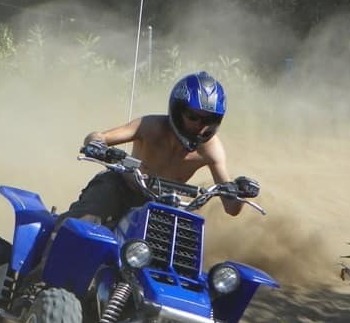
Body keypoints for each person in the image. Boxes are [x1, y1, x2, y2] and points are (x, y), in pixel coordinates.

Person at [66, 71, 258, 227]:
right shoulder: (150, 126)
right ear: (178, 110)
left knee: (178, 248)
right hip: (120, 188)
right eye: (193, 116)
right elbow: (99, 136)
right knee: (84, 224)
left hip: (162, 205)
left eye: (209, 120)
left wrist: (239, 192)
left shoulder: (211, 150)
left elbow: (231, 208)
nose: (200, 125)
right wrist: (96, 145)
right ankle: (44, 266)